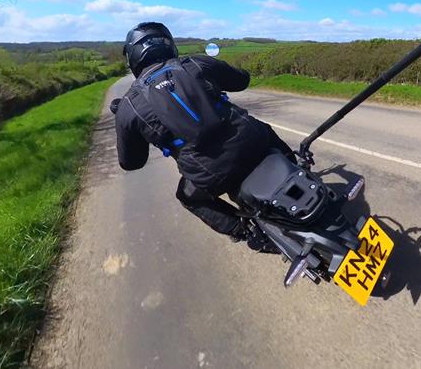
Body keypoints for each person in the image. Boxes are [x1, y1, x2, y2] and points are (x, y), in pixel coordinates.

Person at [113, 22, 291, 249]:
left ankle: (245, 231)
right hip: (253, 142)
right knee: (262, 129)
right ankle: (299, 168)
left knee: (188, 196)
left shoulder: (129, 105)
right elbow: (241, 80)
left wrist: (127, 121)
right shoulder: (194, 62)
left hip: (210, 173)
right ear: (169, 44)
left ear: (132, 56)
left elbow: (131, 163)